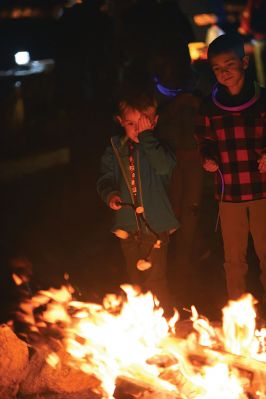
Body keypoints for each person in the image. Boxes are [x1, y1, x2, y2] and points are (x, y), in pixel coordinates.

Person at [195, 34, 266, 307]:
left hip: (261, 191)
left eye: (230, 65)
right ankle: (239, 316)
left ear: (244, 62)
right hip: (230, 195)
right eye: (217, 68)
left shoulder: (262, 102)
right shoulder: (210, 107)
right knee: (233, 259)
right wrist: (207, 158)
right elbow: (205, 139)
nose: (224, 73)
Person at [97, 88, 179, 316]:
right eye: (132, 124)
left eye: (144, 124)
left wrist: (147, 138)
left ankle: (165, 322)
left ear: (155, 121)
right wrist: (110, 194)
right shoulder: (115, 150)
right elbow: (104, 178)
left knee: (156, 279)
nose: (138, 130)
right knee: (134, 281)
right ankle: (141, 325)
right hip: (128, 229)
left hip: (156, 228)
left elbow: (163, 167)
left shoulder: (158, 148)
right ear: (120, 121)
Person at [149, 36, 205, 300]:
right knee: (171, 212)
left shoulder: (197, 87)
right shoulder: (156, 92)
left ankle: (184, 270)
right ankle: (166, 273)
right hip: (169, 161)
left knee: (190, 213)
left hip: (192, 159)